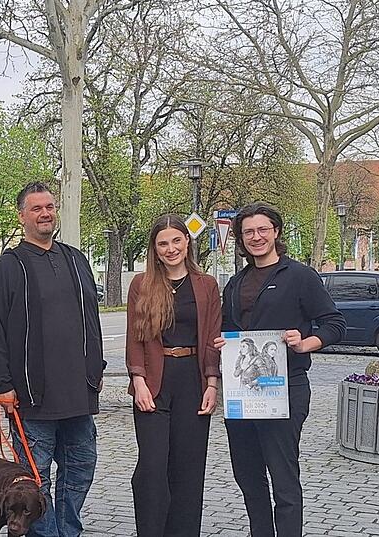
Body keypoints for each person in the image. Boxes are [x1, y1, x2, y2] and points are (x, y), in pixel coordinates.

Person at [0, 181, 105, 537]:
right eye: (36, 208)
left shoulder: (75, 259)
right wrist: (1, 384)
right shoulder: (9, 265)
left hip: (79, 395)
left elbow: (92, 320)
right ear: (22, 216)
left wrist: (95, 370)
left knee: (80, 470)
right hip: (31, 398)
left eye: (49, 206)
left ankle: (66, 531)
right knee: (37, 483)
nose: (45, 213)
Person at [217, 202, 346, 537]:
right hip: (242, 395)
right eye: (248, 232)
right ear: (240, 239)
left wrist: (305, 342)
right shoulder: (235, 283)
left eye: (263, 229)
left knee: (283, 475)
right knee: (247, 475)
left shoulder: (300, 276)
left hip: (285, 389)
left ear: (276, 231)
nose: (256, 237)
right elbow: (229, 329)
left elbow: (334, 324)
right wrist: (223, 344)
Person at [125, 215, 222, 537]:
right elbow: (134, 337)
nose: (170, 249)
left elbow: (211, 338)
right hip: (154, 381)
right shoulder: (142, 284)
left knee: (188, 470)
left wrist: (212, 382)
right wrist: (138, 380)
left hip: (191, 381)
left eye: (176, 241)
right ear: (155, 249)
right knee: (152, 470)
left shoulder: (206, 285)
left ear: (187, 242)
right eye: (163, 243)